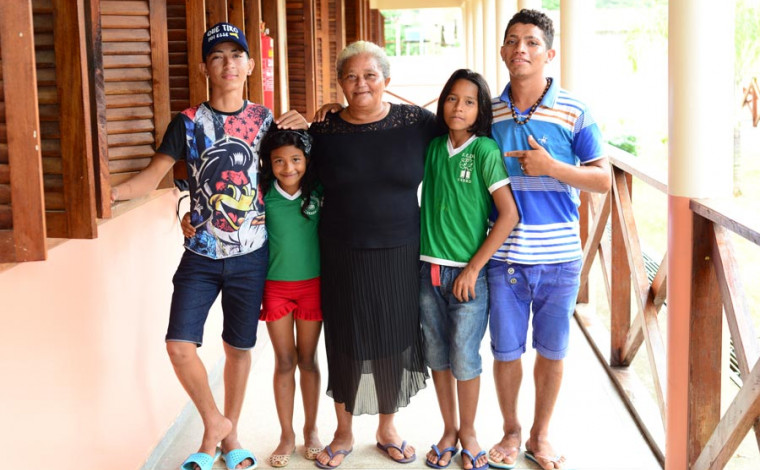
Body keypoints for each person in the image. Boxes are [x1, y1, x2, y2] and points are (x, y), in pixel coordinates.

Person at [111, 22, 307, 470]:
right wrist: (110, 193)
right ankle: (217, 423)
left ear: (250, 65)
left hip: (252, 254)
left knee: (238, 348)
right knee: (179, 345)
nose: (228, 63)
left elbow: (298, 168)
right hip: (200, 254)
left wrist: (316, 120)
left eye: (236, 55)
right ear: (205, 68)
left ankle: (224, 439)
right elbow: (153, 176)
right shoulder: (186, 122)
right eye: (217, 56)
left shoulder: (268, 122)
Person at [485, 9, 611, 470]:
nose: (521, 48)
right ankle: (511, 431)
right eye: (513, 40)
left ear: (549, 53)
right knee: (506, 352)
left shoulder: (575, 109)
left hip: (560, 259)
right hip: (504, 257)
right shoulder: (489, 112)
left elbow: (603, 180)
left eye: (532, 42)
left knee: (552, 351)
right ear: (503, 51)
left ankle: (540, 435)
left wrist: (552, 168)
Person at [307, 41, 443, 469]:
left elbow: (465, 133)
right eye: (350, 76)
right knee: (345, 338)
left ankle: (388, 428)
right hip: (340, 250)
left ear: (387, 79)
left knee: (393, 337)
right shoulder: (323, 132)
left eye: (370, 75)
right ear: (339, 83)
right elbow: (288, 171)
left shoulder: (417, 123)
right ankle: (343, 431)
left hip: (401, 249)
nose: (361, 84)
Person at [181, 128, 324, 468]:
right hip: (275, 288)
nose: (288, 167)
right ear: (268, 164)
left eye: (296, 160)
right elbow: (224, 209)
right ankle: (286, 435)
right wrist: (190, 217)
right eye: (279, 161)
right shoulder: (261, 194)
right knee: (284, 361)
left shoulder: (319, 191)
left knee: (308, 360)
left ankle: (311, 431)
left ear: (307, 160)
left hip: (313, 287)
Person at [418, 69, 519, 470]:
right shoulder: (432, 147)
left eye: (469, 102)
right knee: (438, 356)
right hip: (427, 271)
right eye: (452, 98)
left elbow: (509, 214)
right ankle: (448, 430)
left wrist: (474, 269)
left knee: (464, 357)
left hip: (467, 277)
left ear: (480, 111)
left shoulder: (485, 151)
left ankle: (470, 433)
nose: (458, 107)